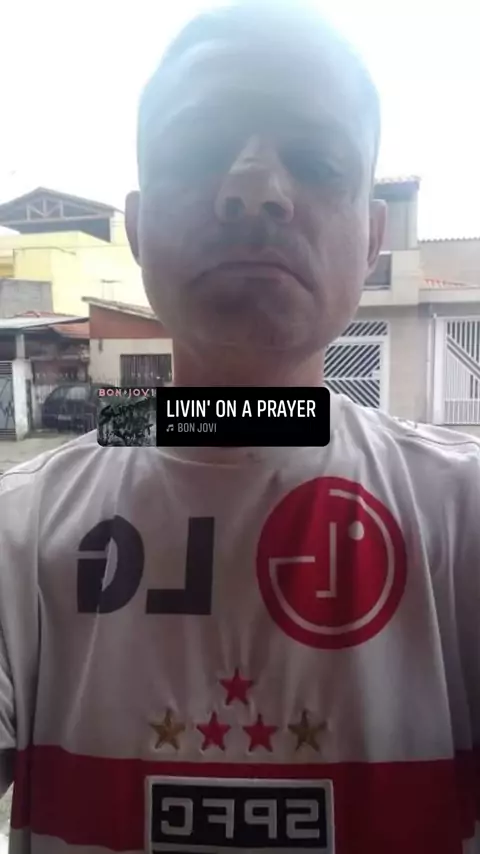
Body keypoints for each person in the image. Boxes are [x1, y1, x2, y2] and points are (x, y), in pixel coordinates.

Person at [0, 2, 479, 853]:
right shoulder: (18, 527)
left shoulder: (465, 514)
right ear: (137, 229)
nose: (255, 188)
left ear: (372, 237)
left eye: (318, 163)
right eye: (197, 151)